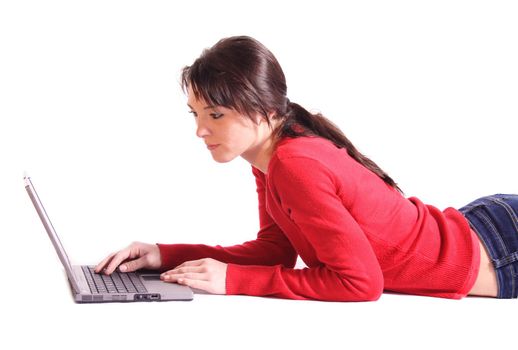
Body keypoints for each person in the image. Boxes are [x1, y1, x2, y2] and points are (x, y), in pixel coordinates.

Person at [95, 35, 518, 301]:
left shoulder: (295, 164)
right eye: (194, 114)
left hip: (501, 251)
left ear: (261, 111)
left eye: (216, 115)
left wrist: (235, 281)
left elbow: (360, 284)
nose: (201, 131)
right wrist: (164, 256)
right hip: (479, 228)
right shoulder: (271, 161)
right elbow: (276, 251)